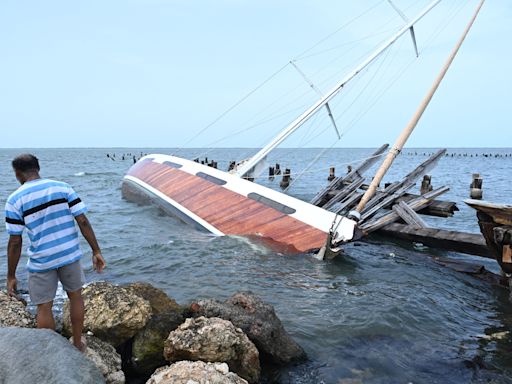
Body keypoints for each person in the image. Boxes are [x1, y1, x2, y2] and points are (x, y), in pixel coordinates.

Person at [5, 154, 106, 351]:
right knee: (76, 297)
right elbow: (83, 221)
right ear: (38, 168)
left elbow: (15, 242)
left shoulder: (14, 199)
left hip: (42, 261)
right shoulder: (62, 187)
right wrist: (96, 251)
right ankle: (78, 343)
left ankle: (53, 353)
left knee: (44, 306)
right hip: (69, 255)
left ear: (17, 174)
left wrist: (11, 275)